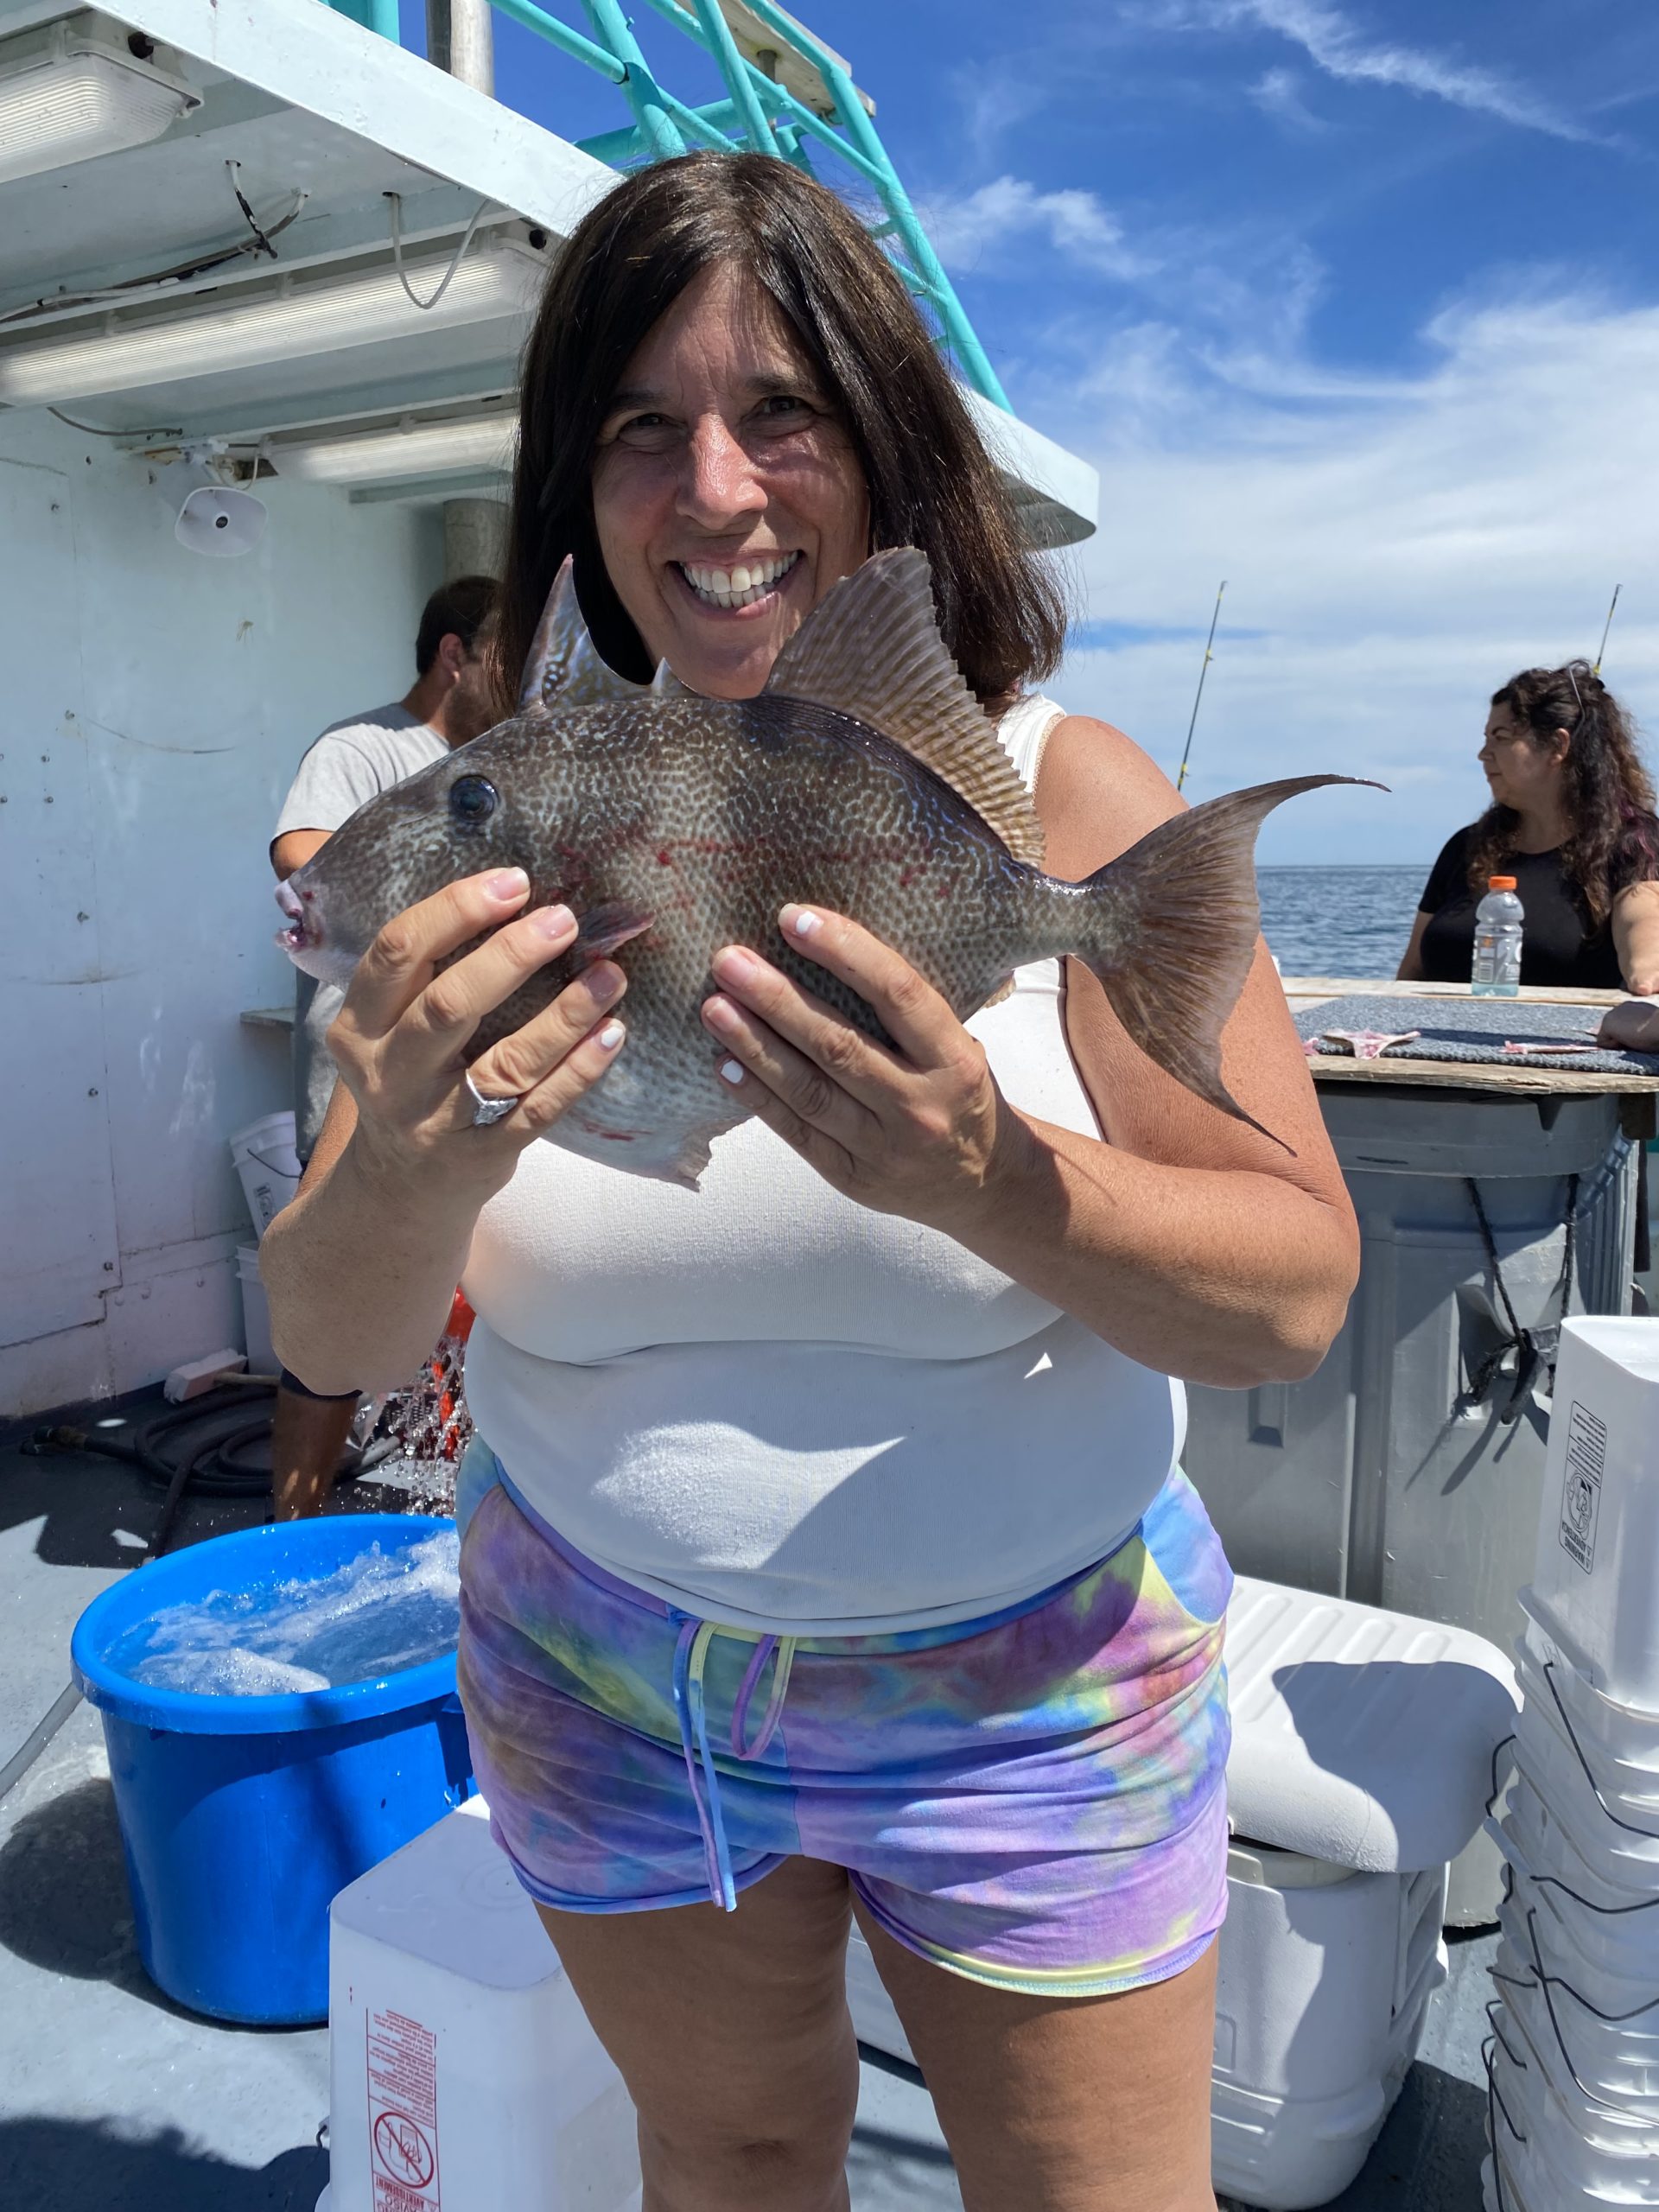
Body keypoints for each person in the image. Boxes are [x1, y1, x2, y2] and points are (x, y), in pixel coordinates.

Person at [263, 153, 1358, 2212]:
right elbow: (327, 1326)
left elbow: (1292, 1291)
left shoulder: (1064, 791)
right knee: (736, 2152)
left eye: (783, 414)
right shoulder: (518, 816)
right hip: (602, 1678)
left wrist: (995, 1182)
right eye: (641, 430)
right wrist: (415, 1146)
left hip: (1033, 1690)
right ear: (578, 493)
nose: (719, 488)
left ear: (885, 446)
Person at [266, 574, 499, 1519]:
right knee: (331, 1287)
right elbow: (303, 860)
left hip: (460, 1059)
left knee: (468, 1293)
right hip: (359, 1064)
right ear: (456, 654)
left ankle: (452, 1506)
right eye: (502, 653)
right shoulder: (364, 747)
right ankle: (292, 1514)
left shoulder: (490, 754)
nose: (517, 673)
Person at [1398, 661, 1659, 995]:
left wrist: (1646, 974)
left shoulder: (1635, 844)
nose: (1482, 754)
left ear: (1557, 746)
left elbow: (1645, 924)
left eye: (1501, 737)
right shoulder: (1466, 847)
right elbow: (1411, 973)